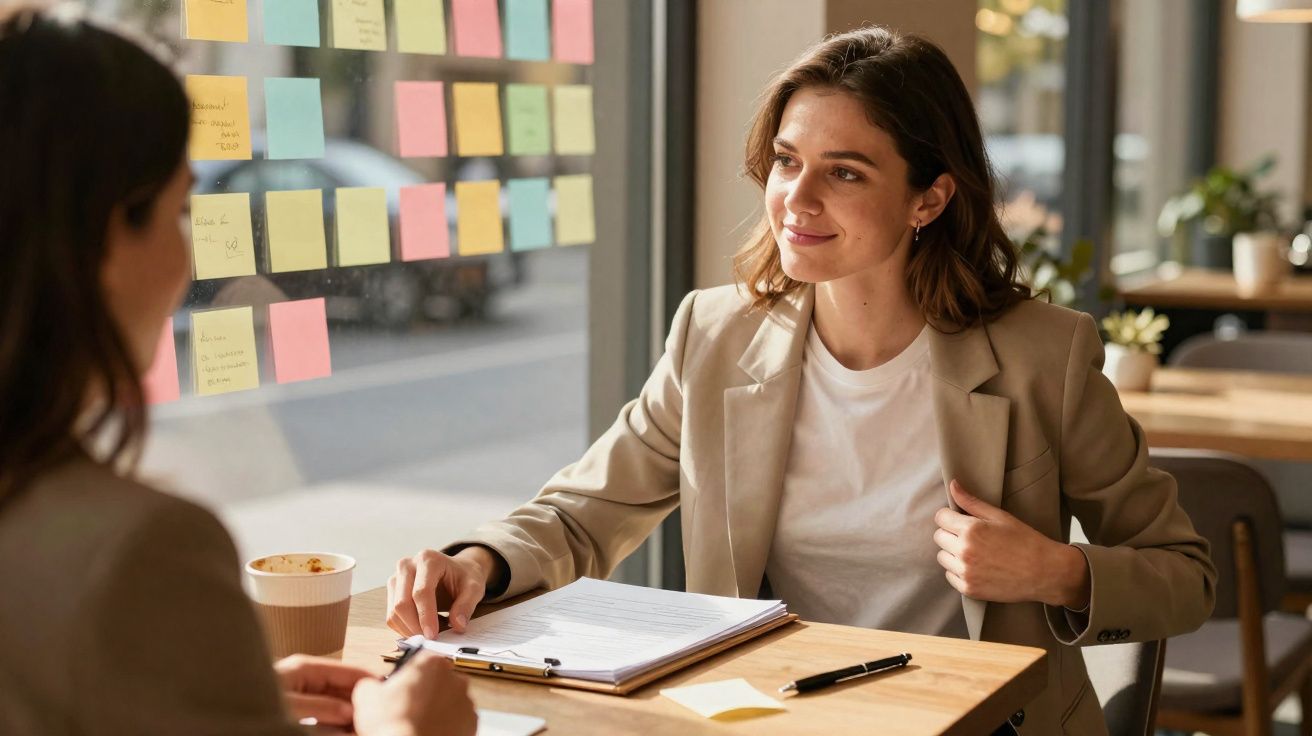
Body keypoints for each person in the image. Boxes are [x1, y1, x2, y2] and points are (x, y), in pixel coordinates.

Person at [387, 26, 1216, 735]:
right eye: (788, 161)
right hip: (776, 717)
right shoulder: (713, 335)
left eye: (845, 172)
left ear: (928, 199)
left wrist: (1055, 572)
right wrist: (476, 564)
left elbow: (1186, 576)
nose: (797, 199)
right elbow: (581, 513)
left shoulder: (1046, 355)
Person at [0, 5, 477, 734]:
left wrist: (220, 696)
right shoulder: (142, 553)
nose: (188, 257)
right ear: (104, 236)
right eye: (180, 211)